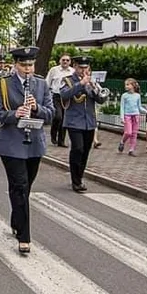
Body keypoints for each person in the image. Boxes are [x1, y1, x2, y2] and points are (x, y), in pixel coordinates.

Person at [0, 46, 54, 254]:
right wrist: (15, 113)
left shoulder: (41, 84)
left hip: (34, 143)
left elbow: (52, 114)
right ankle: (24, 237)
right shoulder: (4, 84)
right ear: (15, 65)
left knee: (23, 189)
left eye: (30, 65)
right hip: (11, 143)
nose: (28, 69)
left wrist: (36, 108)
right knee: (20, 185)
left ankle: (16, 219)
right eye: (23, 65)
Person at [59, 56, 107, 192]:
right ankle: (76, 181)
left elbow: (101, 100)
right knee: (78, 149)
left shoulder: (92, 82)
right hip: (74, 121)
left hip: (89, 122)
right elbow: (64, 95)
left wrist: (93, 88)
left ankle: (79, 177)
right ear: (75, 66)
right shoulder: (67, 80)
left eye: (86, 68)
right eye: (81, 67)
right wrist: (80, 84)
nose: (83, 70)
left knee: (85, 151)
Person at [45, 53, 74, 147]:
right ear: (60, 61)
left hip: (68, 97)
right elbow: (47, 83)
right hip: (56, 96)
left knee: (65, 119)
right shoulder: (54, 70)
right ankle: (53, 134)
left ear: (70, 62)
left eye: (67, 60)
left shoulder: (72, 71)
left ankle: (61, 141)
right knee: (58, 117)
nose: (65, 62)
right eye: (63, 60)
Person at [117, 78, 146, 156]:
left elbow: (139, 107)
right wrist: (122, 118)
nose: (126, 86)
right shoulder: (124, 96)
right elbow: (122, 107)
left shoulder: (137, 96)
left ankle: (131, 149)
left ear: (133, 85)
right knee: (128, 132)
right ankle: (122, 142)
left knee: (134, 133)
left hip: (136, 116)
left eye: (127, 84)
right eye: (125, 85)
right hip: (127, 116)